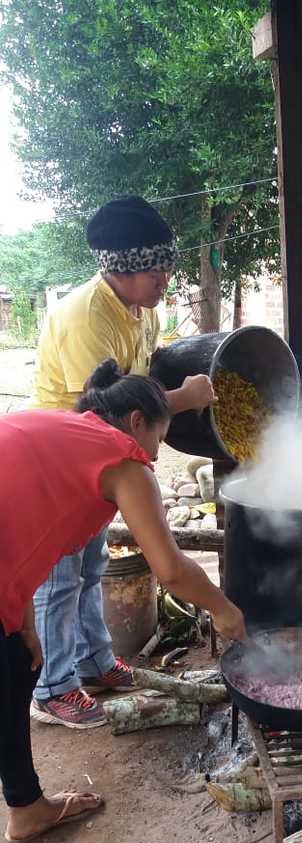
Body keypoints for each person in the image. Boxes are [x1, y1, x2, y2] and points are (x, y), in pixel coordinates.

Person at [0, 361, 245, 843]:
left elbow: (19, 533)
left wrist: (22, 622)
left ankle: (27, 808)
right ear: (137, 422)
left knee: (14, 668)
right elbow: (171, 569)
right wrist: (226, 612)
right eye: (159, 439)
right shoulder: (122, 458)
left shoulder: (80, 432)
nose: (156, 455)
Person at [29, 196, 216, 729]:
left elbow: (139, 385)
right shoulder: (86, 317)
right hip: (57, 464)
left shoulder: (141, 311)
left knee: (92, 568)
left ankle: (94, 662)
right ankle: (51, 689)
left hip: (96, 462)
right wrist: (183, 398)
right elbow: (106, 413)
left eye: (167, 269)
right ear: (122, 268)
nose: (164, 282)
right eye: (156, 272)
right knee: (59, 581)